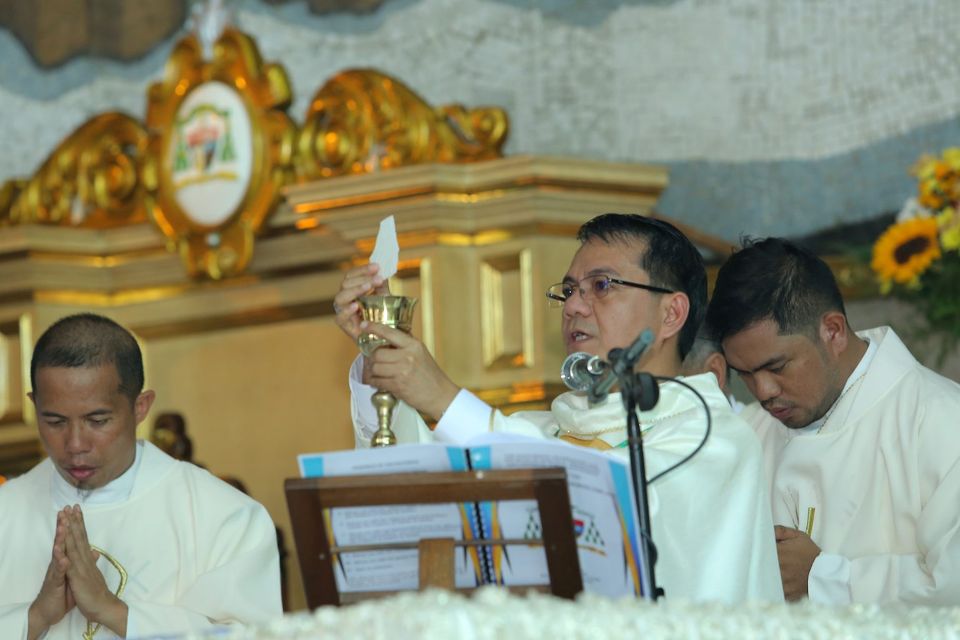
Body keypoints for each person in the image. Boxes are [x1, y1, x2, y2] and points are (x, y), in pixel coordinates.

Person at [334, 213, 783, 603]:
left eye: (601, 286)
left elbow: (600, 502)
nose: (573, 306)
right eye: (568, 290)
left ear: (671, 313)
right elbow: (414, 492)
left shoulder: (712, 440)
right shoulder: (541, 429)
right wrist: (380, 352)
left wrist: (443, 398)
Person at [706, 237, 960, 605]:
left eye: (776, 367)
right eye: (743, 373)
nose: (762, 391)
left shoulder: (941, 422)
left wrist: (826, 579)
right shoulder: (754, 432)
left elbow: (951, 588)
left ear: (833, 332)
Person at [0, 314, 281, 639]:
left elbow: (257, 635)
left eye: (97, 420)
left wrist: (113, 611)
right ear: (35, 406)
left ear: (140, 407)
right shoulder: (6, 511)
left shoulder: (225, 517)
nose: (75, 445)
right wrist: (34, 618)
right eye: (55, 421)